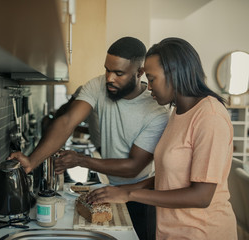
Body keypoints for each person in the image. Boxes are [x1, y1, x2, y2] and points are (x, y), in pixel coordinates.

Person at [9, 37, 169, 240]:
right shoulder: (98, 85)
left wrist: (81, 160)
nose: (109, 78)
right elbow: (67, 121)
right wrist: (32, 162)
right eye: (107, 70)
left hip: (139, 196)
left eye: (118, 73)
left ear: (139, 73)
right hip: (109, 189)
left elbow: (133, 166)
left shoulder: (156, 113)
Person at [87, 37, 237, 240]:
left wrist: (129, 195)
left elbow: (201, 196)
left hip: (202, 232)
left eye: (152, 78)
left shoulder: (209, 116)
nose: (148, 87)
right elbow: (172, 177)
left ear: (173, 74)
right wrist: (123, 189)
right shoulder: (179, 112)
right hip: (172, 231)